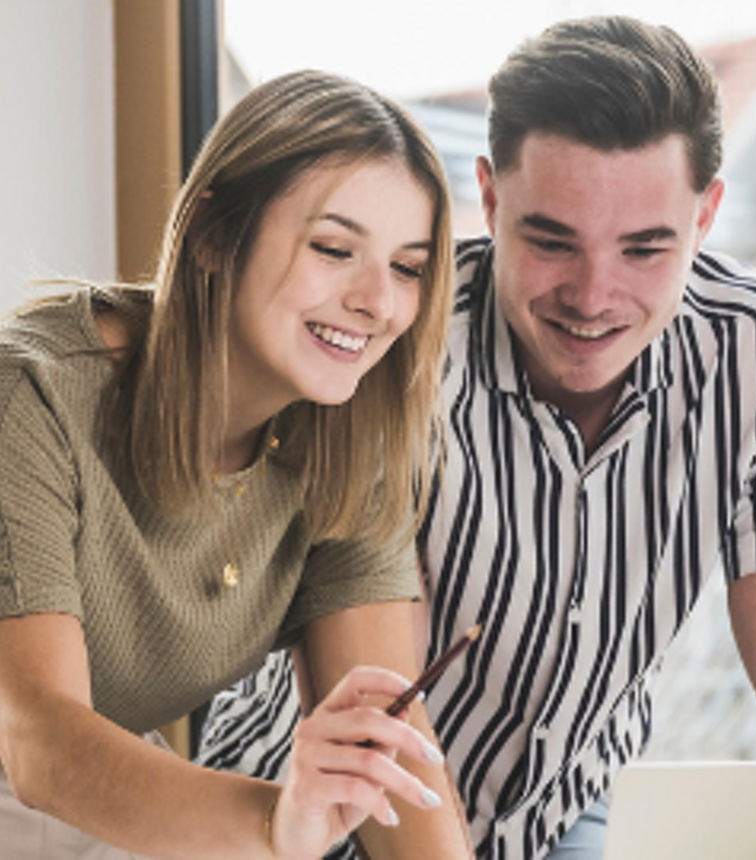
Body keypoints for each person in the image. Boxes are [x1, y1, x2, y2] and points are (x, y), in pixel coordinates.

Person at [201, 16, 756, 859]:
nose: (594, 296)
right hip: (318, 814)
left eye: (645, 249)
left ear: (706, 217)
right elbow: (387, 730)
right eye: (552, 241)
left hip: (556, 818)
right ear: (488, 198)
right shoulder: (394, 349)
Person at [0, 70, 474, 859]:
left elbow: (388, 744)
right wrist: (273, 824)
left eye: (408, 267)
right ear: (216, 234)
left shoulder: (351, 435)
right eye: (334, 249)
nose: (378, 302)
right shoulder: (32, 395)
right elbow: (38, 743)